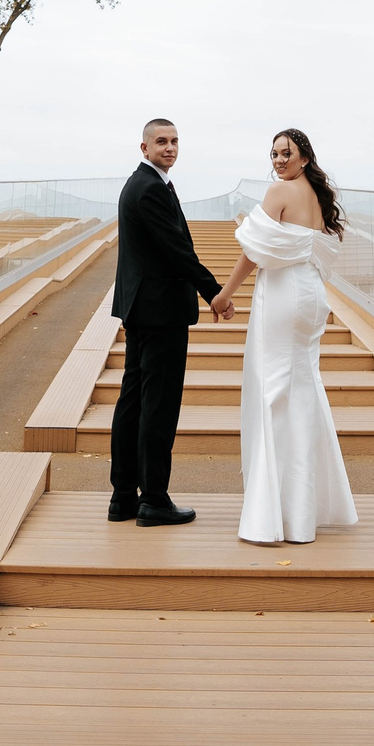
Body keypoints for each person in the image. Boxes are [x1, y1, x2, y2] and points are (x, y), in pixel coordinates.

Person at [222, 127, 357, 545]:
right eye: (274, 154)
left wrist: (225, 294)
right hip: (312, 295)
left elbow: (252, 251)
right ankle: (305, 512)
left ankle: (274, 513)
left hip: (283, 294)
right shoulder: (316, 197)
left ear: (304, 158)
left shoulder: (280, 192)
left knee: (272, 390)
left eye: (286, 153)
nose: (279, 160)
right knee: (303, 390)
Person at [109, 117, 230, 526]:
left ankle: (124, 497)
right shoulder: (149, 188)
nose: (170, 147)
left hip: (143, 308)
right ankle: (154, 499)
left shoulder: (144, 184)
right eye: (161, 141)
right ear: (144, 148)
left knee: (134, 401)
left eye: (175, 141)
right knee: (157, 407)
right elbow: (178, 250)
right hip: (159, 312)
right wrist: (214, 291)